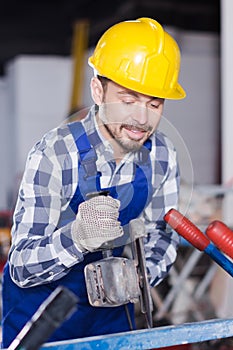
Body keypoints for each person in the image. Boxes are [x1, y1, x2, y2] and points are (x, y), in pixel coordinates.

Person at [2, 17, 186, 347]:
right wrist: (77, 237)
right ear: (98, 90)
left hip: (111, 314)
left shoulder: (162, 155)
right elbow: (21, 268)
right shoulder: (55, 154)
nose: (142, 119)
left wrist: (138, 278)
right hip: (41, 318)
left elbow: (162, 235)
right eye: (129, 100)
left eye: (154, 103)